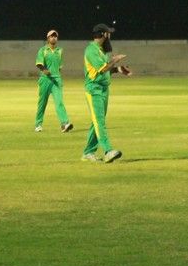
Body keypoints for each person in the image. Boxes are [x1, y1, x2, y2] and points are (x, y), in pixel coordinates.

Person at [82, 23, 129, 163]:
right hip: (94, 90)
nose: (110, 36)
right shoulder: (91, 50)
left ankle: (88, 152)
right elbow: (102, 69)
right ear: (103, 34)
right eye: (108, 33)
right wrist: (115, 60)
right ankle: (108, 151)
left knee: (97, 121)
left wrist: (118, 69)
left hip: (103, 89)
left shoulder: (101, 50)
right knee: (99, 122)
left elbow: (105, 70)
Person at [34, 29, 73, 133]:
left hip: (56, 80)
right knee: (42, 103)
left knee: (59, 102)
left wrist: (56, 75)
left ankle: (65, 124)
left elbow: (60, 66)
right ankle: (38, 124)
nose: (53, 38)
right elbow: (39, 63)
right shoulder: (43, 50)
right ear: (48, 38)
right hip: (45, 80)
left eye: (55, 36)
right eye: (51, 36)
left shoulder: (60, 50)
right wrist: (44, 70)